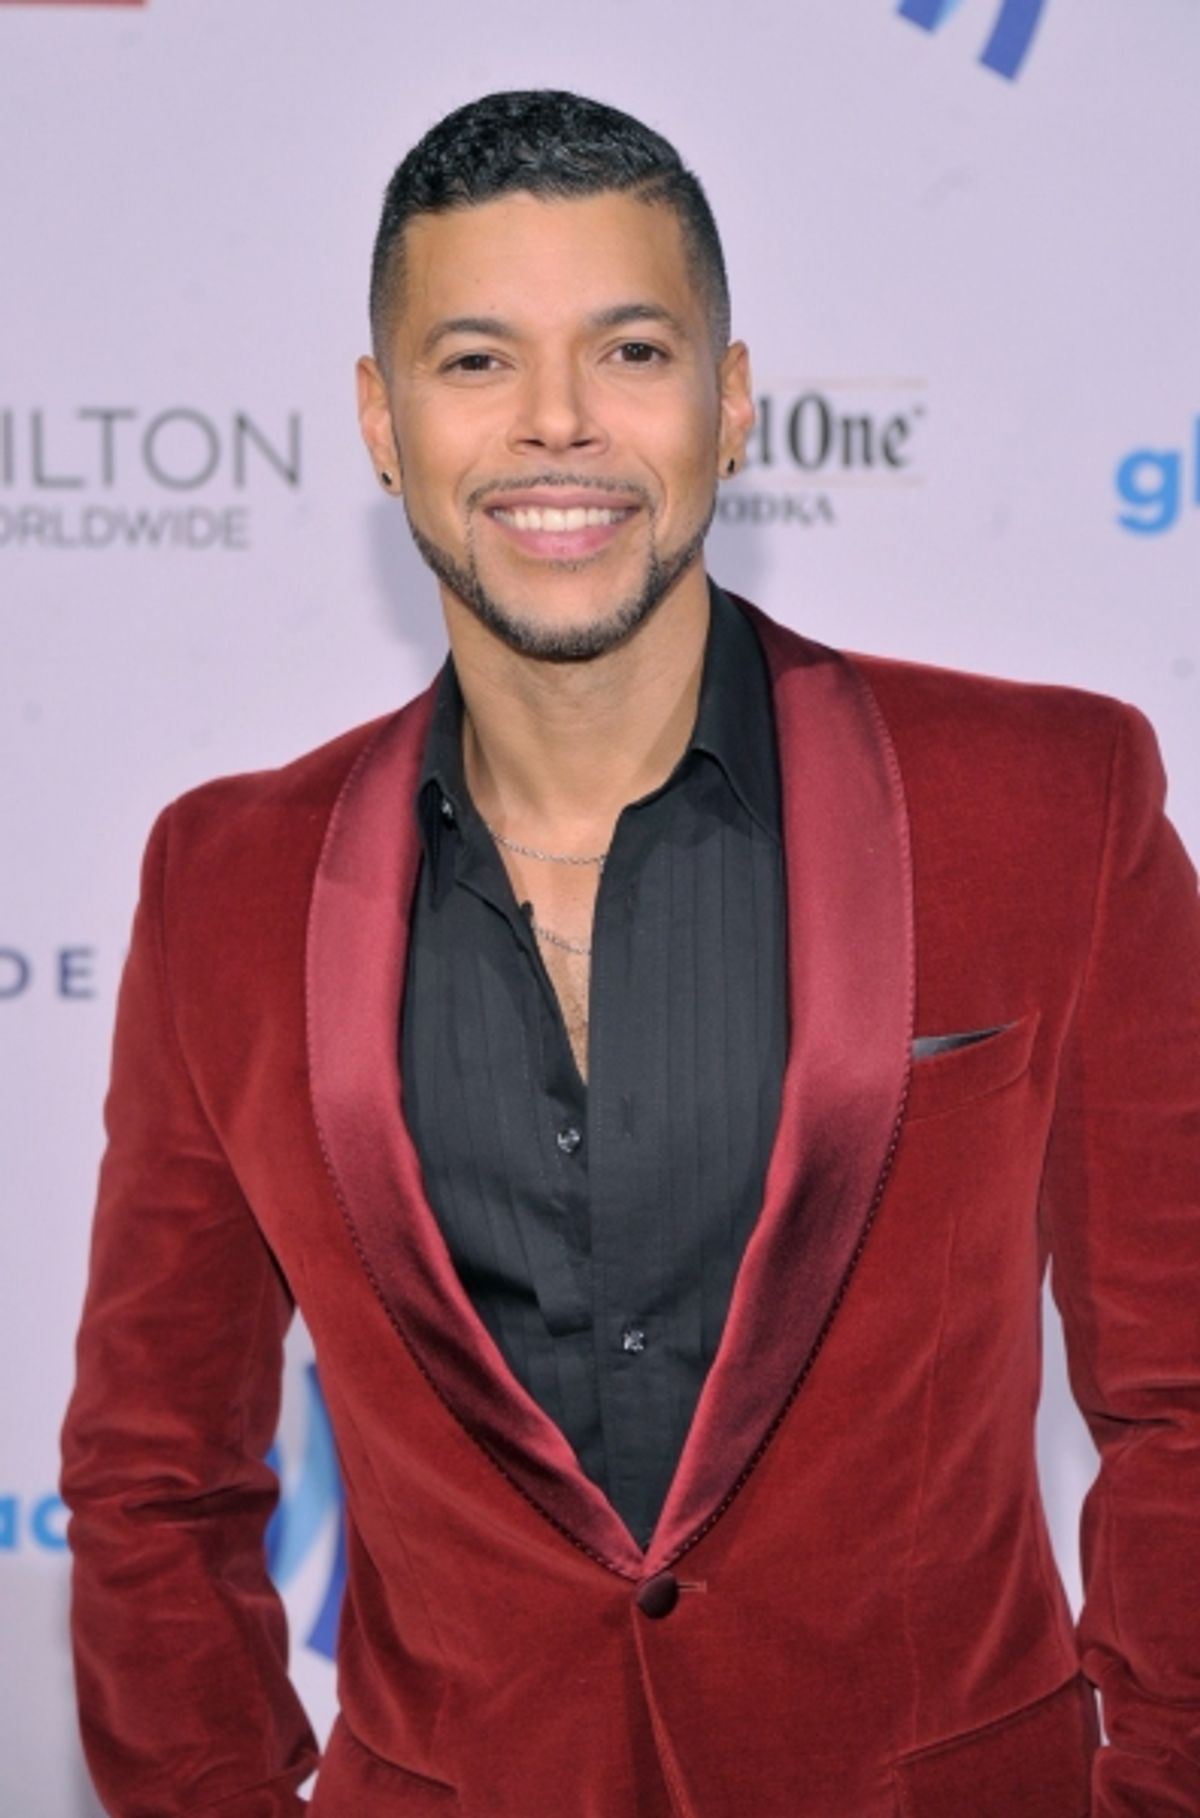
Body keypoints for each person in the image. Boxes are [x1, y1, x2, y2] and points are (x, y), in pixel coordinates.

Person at [60, 89, 1200, 1818]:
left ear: (732, 402)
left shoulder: (1047, 800)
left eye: (633, 348)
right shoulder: (227, 879)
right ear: (379, 420)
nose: (559, 425)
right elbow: (155, 1483)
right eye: (474, 361)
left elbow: (1183, 1395)